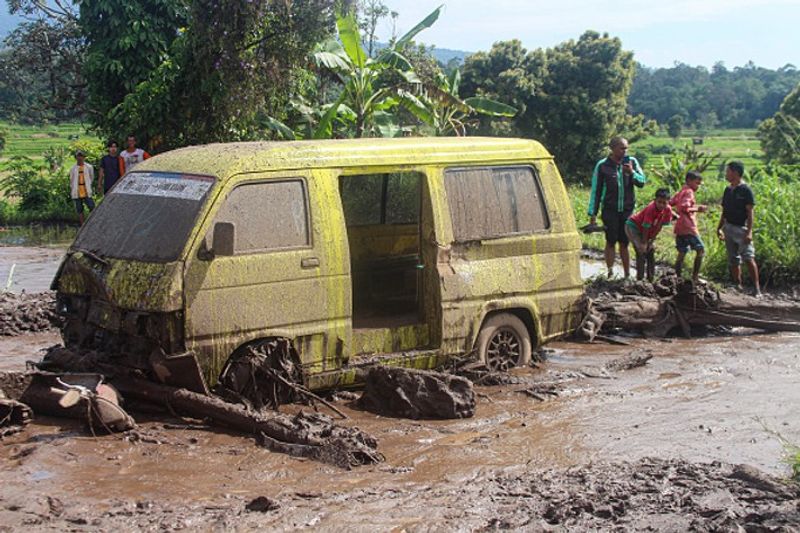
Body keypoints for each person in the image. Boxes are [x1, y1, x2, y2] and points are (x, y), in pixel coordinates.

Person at [588, 136, 647, 278]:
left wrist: (632, 173)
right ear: (612, 149)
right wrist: (593, 214)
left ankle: (627, 274)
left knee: (624, 242)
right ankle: (609, 272)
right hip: (610, 210)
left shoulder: (632, 162)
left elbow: (642, 182)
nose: (624, 151)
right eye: (622, 148)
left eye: (626, 148)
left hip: (627, 210)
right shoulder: (603, 165)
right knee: (610, 241)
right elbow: (596, 190)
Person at [717, 161, 761, 296]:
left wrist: (749, 232)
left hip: (741, 228)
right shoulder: (728, 190)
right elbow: (724, 211)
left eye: (728, 171)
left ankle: (756, 288)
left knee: (748, 257)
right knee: (733, 259)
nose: (726, 174)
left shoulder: (746, 190)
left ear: (735, 173)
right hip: (728, 227)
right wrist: (719, 227)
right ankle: (738, 285)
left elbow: (750, 212)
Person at [624, 188, 673, 282]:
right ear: (655, 200)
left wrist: (651, 241)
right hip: (633, 227)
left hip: (647, 230)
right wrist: (644, 243)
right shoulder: (651, 209)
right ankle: (640, 280)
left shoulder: (668, 210)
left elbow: (660, 226)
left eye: (664, 203)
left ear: (668, 202)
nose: (661, 205)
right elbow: (645, 227)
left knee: (651, 251)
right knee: (641, 251)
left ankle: (651, 279)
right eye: (659, 202)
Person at [670, 171, 708, 284]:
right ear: (689, 181)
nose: (698, 186)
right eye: (697, 183)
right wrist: (698, 209)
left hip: (679, 227)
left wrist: (672, 214)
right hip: (688, 226)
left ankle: (677, 277)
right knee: (700, 250)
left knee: (682, 252)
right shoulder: (689, 192)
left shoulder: (681, 191)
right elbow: (684, 207)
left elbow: (670, 203)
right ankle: (695, 277)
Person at [69, 150, 95, 224]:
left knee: (92, 207)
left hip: (86, 189)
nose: (80, 158)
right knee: (79, 209)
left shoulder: (89, 167)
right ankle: (82, 225)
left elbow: (91, 178)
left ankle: (91, 223)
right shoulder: (73, 168)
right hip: (76, 190)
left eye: (81, 156)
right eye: (78, 156)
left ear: (84, 157)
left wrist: (88, 185)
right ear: (76, 158)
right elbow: (71, 180)